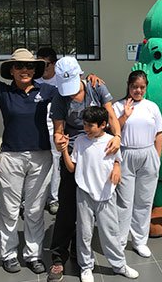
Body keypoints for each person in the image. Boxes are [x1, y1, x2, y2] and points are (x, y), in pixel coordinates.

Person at [0, 17, 58, 275]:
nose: (24, 70)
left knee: (35, 209)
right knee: (8, 210)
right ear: (12, 70)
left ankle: (33, 254)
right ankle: (8, 254)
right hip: (12, 159)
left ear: (35, 69)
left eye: (28, 66)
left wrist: (91, 80)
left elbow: (75, 90)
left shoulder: (47, 91)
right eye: (19, 66)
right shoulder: (3, 92)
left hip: (41, 158)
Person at [47, 56, 121, 282]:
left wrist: (117, 136)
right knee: (68, 206)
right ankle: (59, 257)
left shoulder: (96, 87)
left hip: (99, 152)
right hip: (73, 153)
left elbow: (111, 115)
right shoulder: (60, 97)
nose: (70, 92)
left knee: (98, 204)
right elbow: (58, 130)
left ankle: (83, 255)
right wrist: (60, 144)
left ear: (81, 75)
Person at [55, 106, 139, 281]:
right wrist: (64, 151)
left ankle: (119, 265)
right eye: (84, 124)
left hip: (106, 194)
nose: (86, 129)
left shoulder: (111, 141)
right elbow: (72, 168)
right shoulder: (79, 142)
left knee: (111, 232)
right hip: (84, 194)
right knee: (84, 233)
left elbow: (117, 161)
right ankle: (86, 267)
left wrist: (117, 167)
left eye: (90, 125)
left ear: (103, 124)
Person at [112, 70, 162, 258]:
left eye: (142, 87)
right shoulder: (118, 106)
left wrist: (156, 158)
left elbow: (159, 133)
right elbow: (112, 130)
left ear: (146, 87)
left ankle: (140, 241)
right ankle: (119, 241)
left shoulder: (152, 107)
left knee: (144, 200)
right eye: (135, 87)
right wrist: (124, 116)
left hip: (148, 154)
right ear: (128, 85)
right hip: (126, 154)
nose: (138, 90)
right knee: (124, 201)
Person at [35, 47, 62, 215]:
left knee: (57, 163)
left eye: (44, 64)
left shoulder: (61, 81)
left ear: (54, 64)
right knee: (38, 164)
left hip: (55, 129)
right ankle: (37, 198)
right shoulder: (34, 81)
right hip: (36, 129)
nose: (41, 68)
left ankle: (54, 198)